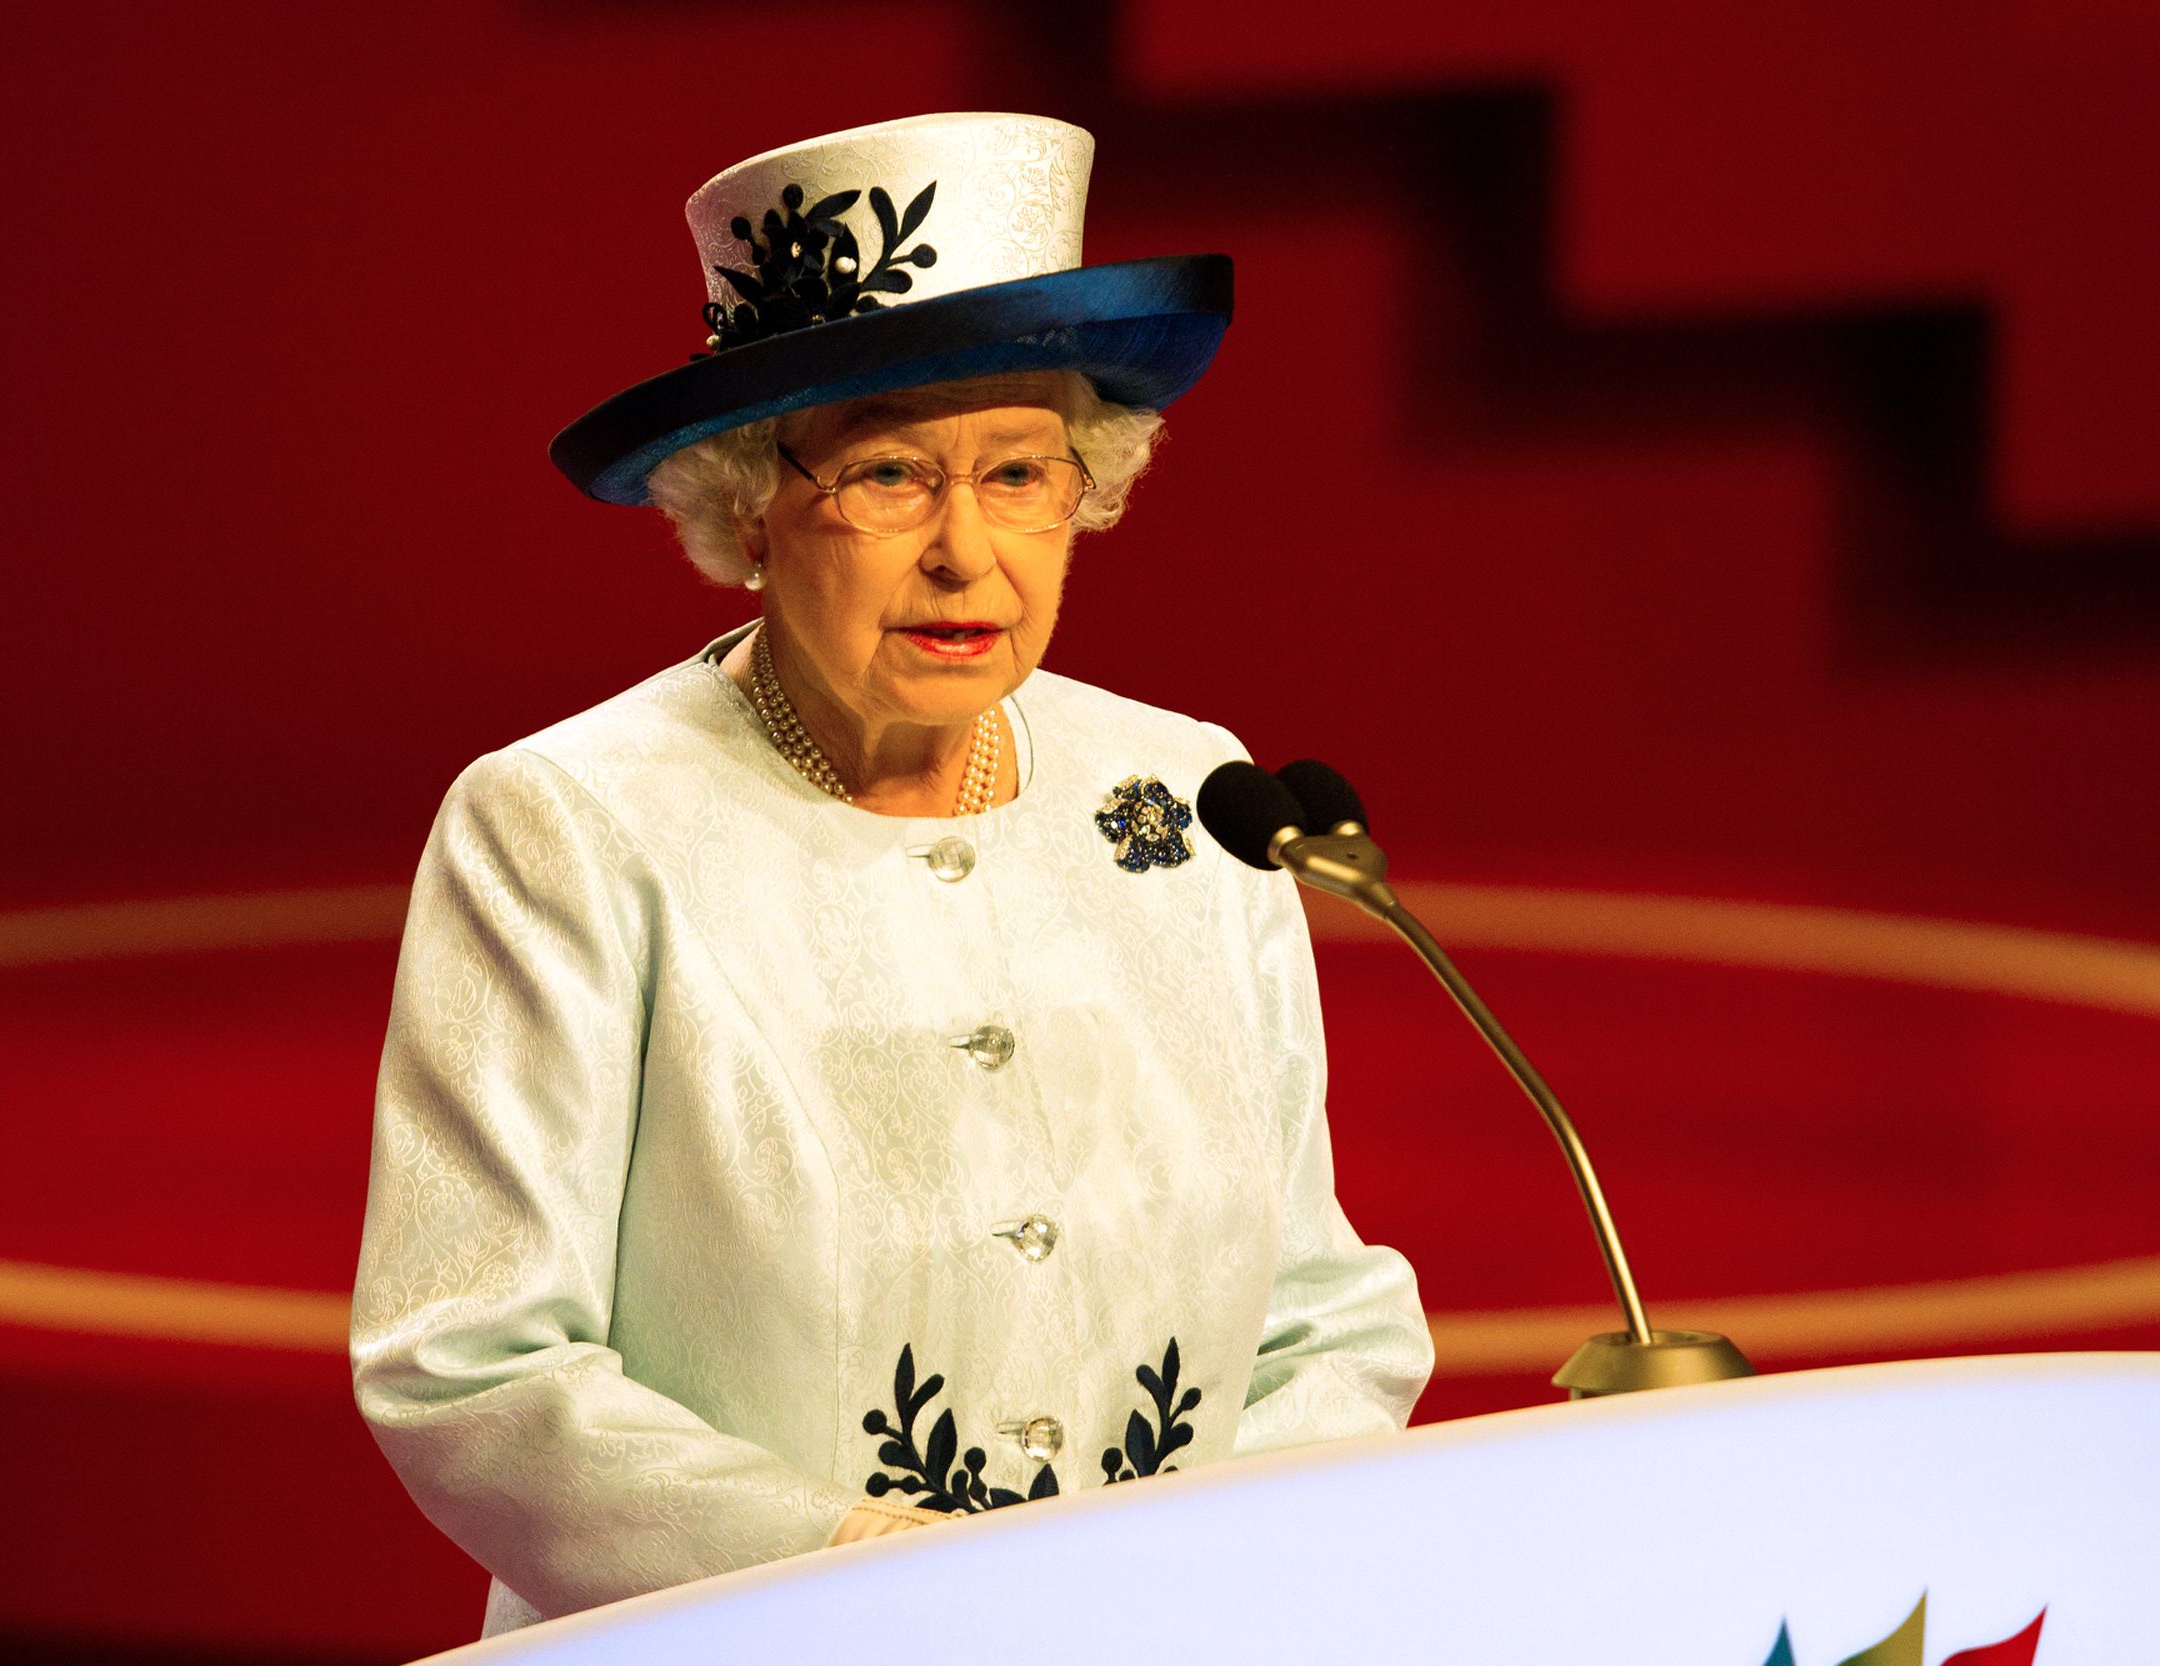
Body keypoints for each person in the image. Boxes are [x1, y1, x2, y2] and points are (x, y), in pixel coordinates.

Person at [350, 111, 1432, 1638]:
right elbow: (471, 1362)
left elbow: (1324, 1313)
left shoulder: (1193, 794)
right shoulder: (567, 827)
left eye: (1017, 473)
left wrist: (1197, 1582)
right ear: (748, 502)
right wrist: (866, 1571)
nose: (966, 553)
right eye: (889, 476)